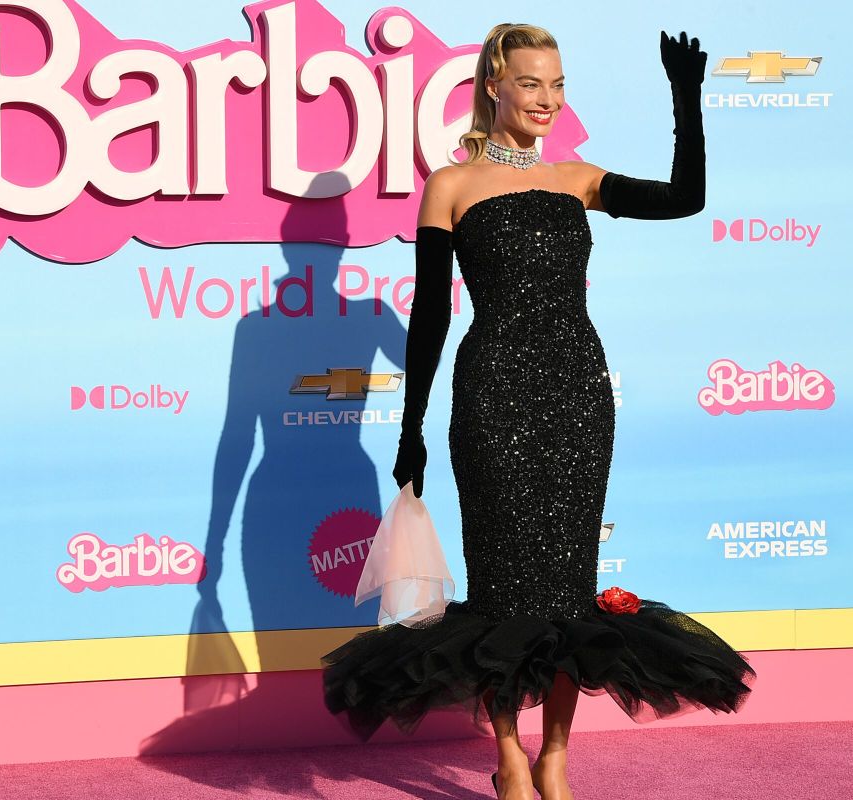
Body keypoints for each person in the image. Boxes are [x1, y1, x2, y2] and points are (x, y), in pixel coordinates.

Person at [322, 23, 756, 799]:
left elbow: (686, 199)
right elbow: (430, 315)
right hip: (492, 399)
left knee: (565, 591)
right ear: (494, 86)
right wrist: (412, 425)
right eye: (531, 83)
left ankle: (554, 754)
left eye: (557, 85)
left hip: (576, 399)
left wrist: (686, 98)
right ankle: (510, 756)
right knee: (502, 589)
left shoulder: (577, 179)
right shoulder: (450, 186)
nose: (547, 100)